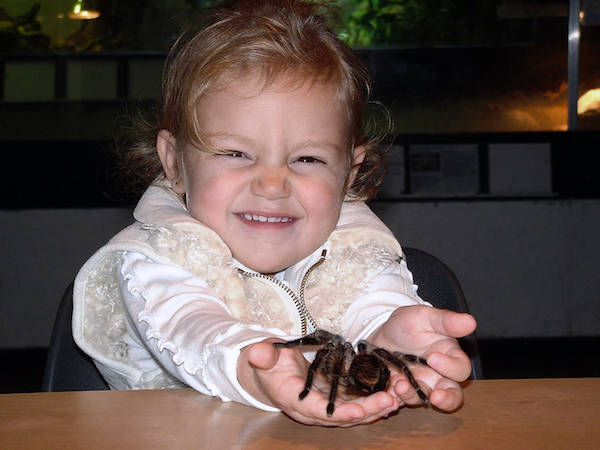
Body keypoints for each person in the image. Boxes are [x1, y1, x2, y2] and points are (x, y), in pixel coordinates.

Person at [73, 0, 477, 427]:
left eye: (307, 159)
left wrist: (386, 327)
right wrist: (257, 366)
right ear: (175, 163)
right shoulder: (158, 259)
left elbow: (371, 297)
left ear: (348, 173)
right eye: (235, 153)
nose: (271, 184)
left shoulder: (353, 244)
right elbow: (194, 327)